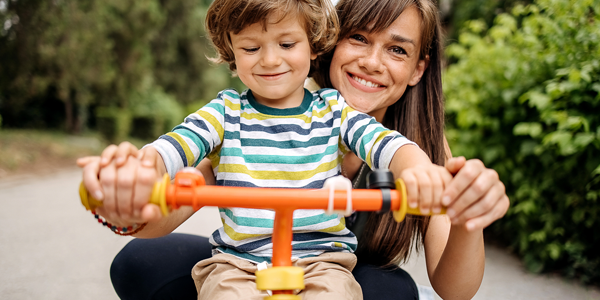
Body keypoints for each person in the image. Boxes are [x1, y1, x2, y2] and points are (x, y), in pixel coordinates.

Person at [79, 0, 509, 299]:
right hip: (242, 259)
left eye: (396, 49)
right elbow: (175, 162)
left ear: (418, 68)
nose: (373, 62)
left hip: (326, 263)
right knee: (147, 261)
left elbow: (454, 289)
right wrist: (131, 184)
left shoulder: (360, 123)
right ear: (330, 42)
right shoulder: (243, 115)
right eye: (359, 38)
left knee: (390, 291)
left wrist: (450, 199)